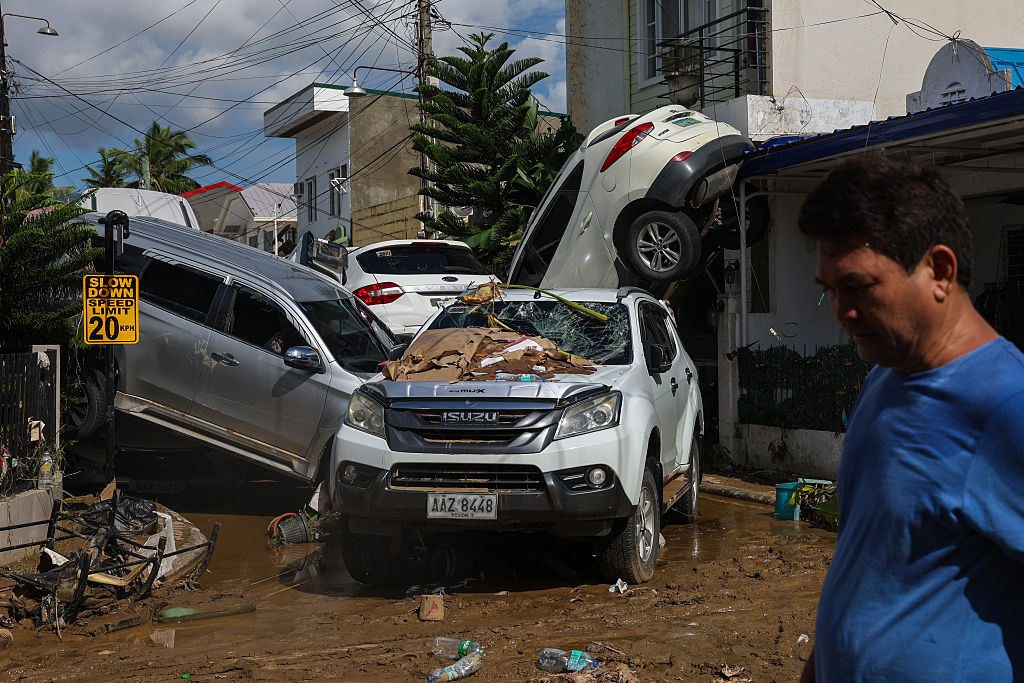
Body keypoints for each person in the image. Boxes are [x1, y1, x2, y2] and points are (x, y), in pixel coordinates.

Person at [797, 151, 1024, 681]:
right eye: (829, 290)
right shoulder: (886, 375)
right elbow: (865, 565)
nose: (840, 312)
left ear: (939, 271)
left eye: (858, 287)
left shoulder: (1005, 405)